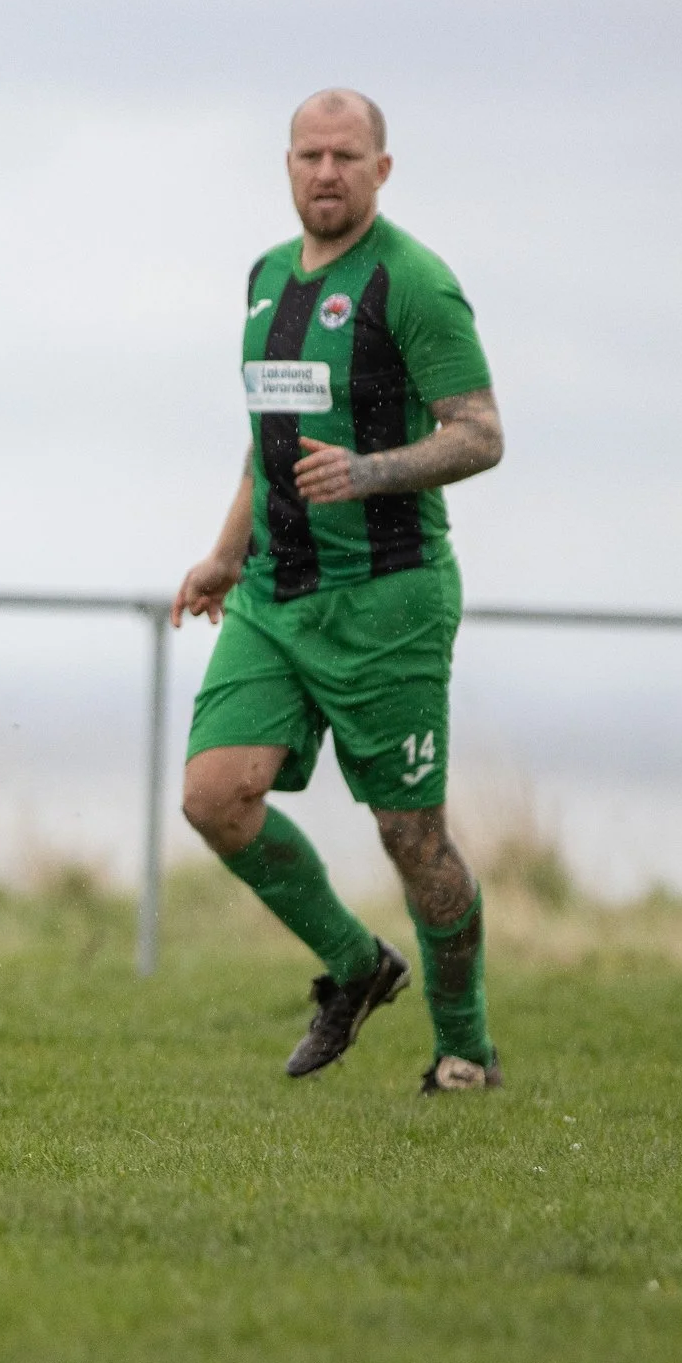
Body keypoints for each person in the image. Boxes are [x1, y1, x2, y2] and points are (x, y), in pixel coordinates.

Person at [172, 89, 507, 1094]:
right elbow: (266, 438)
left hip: (387, 598)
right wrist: (225, 552)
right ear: (286, 165)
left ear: (381, 169)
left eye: (346, 156)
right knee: (213, 798)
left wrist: (366, 471)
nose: (326, 172)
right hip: (275, 592)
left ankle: (465, 1049)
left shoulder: (415, 283)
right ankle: (358, 968)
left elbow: (480, 433)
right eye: (309, 155)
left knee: (411, 837)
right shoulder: (265, 278)